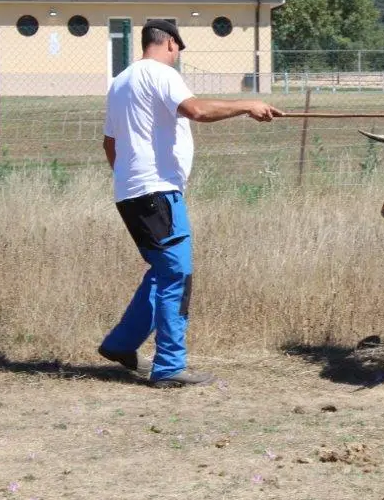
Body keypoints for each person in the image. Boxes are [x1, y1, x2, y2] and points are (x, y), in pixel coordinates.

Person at [98, 19, 283, 387]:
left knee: (162, 271)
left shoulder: (120, 82)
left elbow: (109, 144)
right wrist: (248, 105)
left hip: (131, 194)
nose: (177, 56)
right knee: (177, 277)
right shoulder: (161, 74)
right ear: (170, 43)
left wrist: (129, 178)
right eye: (178, 50)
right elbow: (197, 110)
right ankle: (169, 367)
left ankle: (120, 344)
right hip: (158, 193)